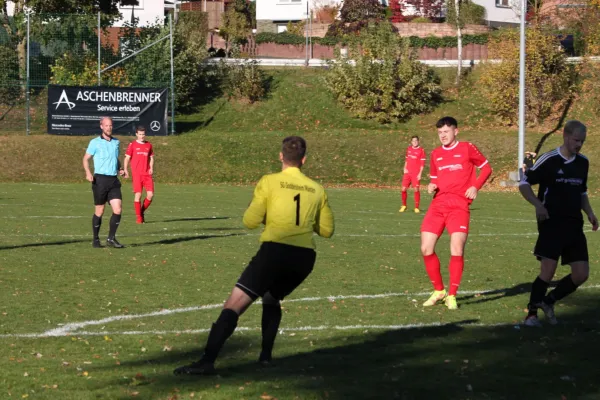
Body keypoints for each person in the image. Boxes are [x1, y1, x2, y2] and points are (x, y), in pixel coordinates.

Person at [173, 136, 335, 375]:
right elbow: (327, 230)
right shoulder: (317, 189)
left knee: (234, 304)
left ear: (281, 156)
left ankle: (207, 361)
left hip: (275, 252)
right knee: (271, 297)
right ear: (304, 160)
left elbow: (249, 221)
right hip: (303, 259)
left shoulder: (269, 182)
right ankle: (266, 358)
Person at [519, 120, 598, 327]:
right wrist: (538, 205)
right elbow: (524, 183)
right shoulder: (549, 159)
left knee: (581, 274)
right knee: (548, 270)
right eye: (575, 140)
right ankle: (531, 315)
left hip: (574, 223)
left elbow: (581, 191)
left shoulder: (583, 162)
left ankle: (548, 302)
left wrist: (590, 212)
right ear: (565, 136)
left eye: (582, 141)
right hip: (551, 221)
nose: (579, 144)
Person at [420, 117, 493, 310]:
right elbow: (435, 179)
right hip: (438, 205)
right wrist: (431, 186)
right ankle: (439, 291)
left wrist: (476, 187)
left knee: (457, 248)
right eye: (440, 132)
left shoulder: (468, 148)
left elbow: (486, 168)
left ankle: (451, 294)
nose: (443, 135)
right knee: (426, 248)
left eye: (446, 131)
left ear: (455, 131)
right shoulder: (435, 154)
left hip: (459, 206)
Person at [82, 116, 128, 248]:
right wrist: (88, 173)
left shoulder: (116, 142)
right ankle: (95, 239)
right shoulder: (94, 142)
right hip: (100, 180)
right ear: (101, 126)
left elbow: (115, 158)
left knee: (118, 209)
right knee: (100, 211)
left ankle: (111, 238)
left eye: (111, 125)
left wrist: (120, 169)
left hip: (113, 180)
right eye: (106, 125)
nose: (109, 128)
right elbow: (86, 159)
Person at [123, 125, 155, 224]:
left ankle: (140, 212)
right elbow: (127, 158)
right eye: (140, 134)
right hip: (137, 174)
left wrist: (151, 168)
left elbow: (152, 158)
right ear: (136, 134)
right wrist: (125, 169)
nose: (142, 136)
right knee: (138, 195)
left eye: (143, 134)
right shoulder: (132, 145)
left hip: (147, 174)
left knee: (150, 195)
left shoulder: (148, 145)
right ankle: (139, 218)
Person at [400, 136, 426, 213]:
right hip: (408, 172)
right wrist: (404, 168)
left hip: (416, 173)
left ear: (418, 141)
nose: (414, 142)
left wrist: (420, 173)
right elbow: (407, 160)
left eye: (416, 141)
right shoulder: (409, 149)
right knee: (403, 189)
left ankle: (416, 207)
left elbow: (422, 164)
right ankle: (404, 205)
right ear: (411, 142)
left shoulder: (421, 150)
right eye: (413, 141)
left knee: (416, 189)